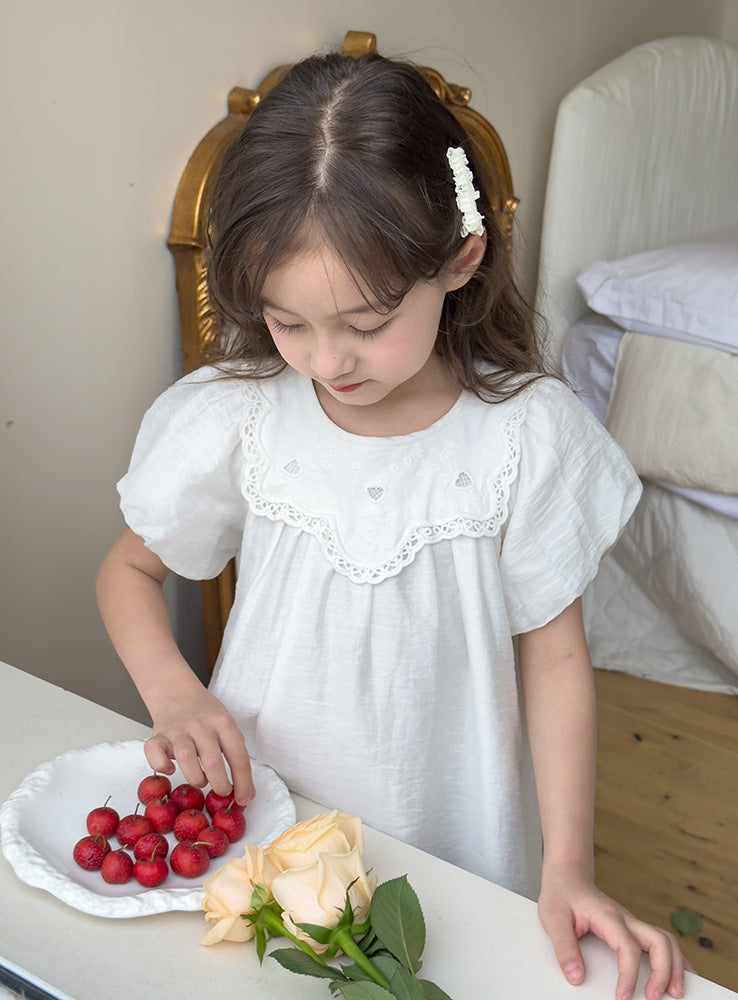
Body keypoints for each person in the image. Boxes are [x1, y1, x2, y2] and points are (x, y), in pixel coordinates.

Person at [97, 50, 685, 1000]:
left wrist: (569, 863)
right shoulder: (240, 413)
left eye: (366, 323)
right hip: (261, 843)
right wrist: (175, 695)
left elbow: (557, 655)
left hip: (456, 842)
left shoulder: (526, 435)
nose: (328, 361)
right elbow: (128, 572)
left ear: (461, 255)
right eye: (289, 323)